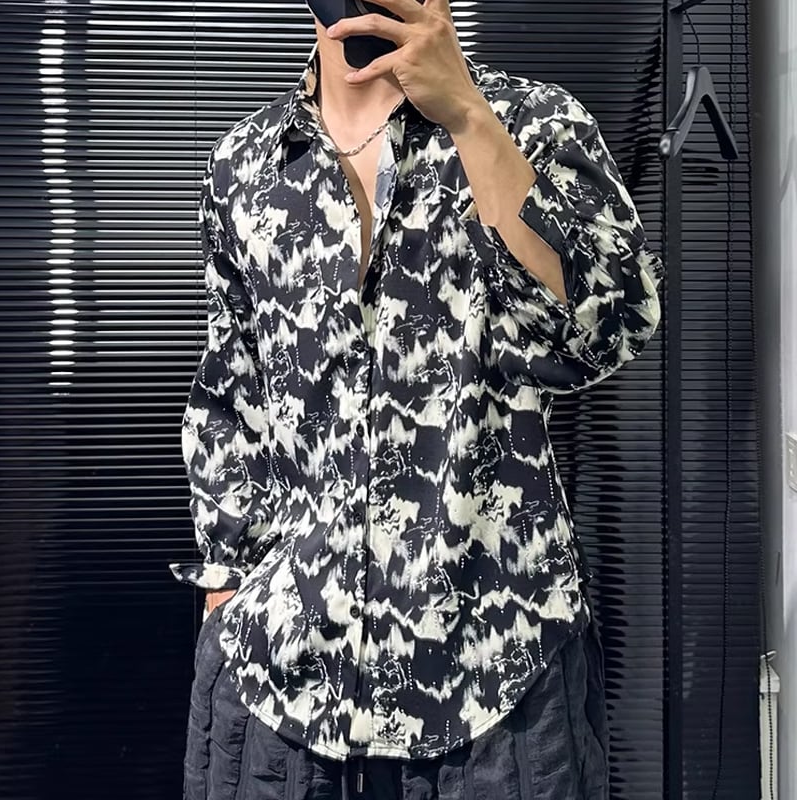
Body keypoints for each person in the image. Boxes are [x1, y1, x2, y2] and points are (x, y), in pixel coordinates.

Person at [169, 0, 664, 797]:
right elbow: (233, 390)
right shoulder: (244, 164)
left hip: (496, 679)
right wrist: (227, 589)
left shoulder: (532, 123)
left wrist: (467, 114)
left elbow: (604, 328)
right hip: (284, 681)